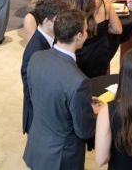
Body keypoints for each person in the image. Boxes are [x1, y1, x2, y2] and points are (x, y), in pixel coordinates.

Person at [23, 10, 98, 170]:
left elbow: (38, 96)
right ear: (79, 36)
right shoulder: (79, 82)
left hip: (37, 145)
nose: (86, 34)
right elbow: (84, 130)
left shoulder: (36, 58)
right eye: (85, 30)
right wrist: (96, 113)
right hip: (62, 158)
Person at [20, 0, 67, 134]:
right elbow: (31, 89)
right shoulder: (35, 50)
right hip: (39, 117)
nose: (62, 22)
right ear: (47, 21)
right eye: (58, 19)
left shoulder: (51, 38)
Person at [67, 0, 122, 77]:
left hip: (78, 56)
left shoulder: (69, 9)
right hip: (100, 54)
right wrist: (102, 28)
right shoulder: (105, 4)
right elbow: (118, 29)